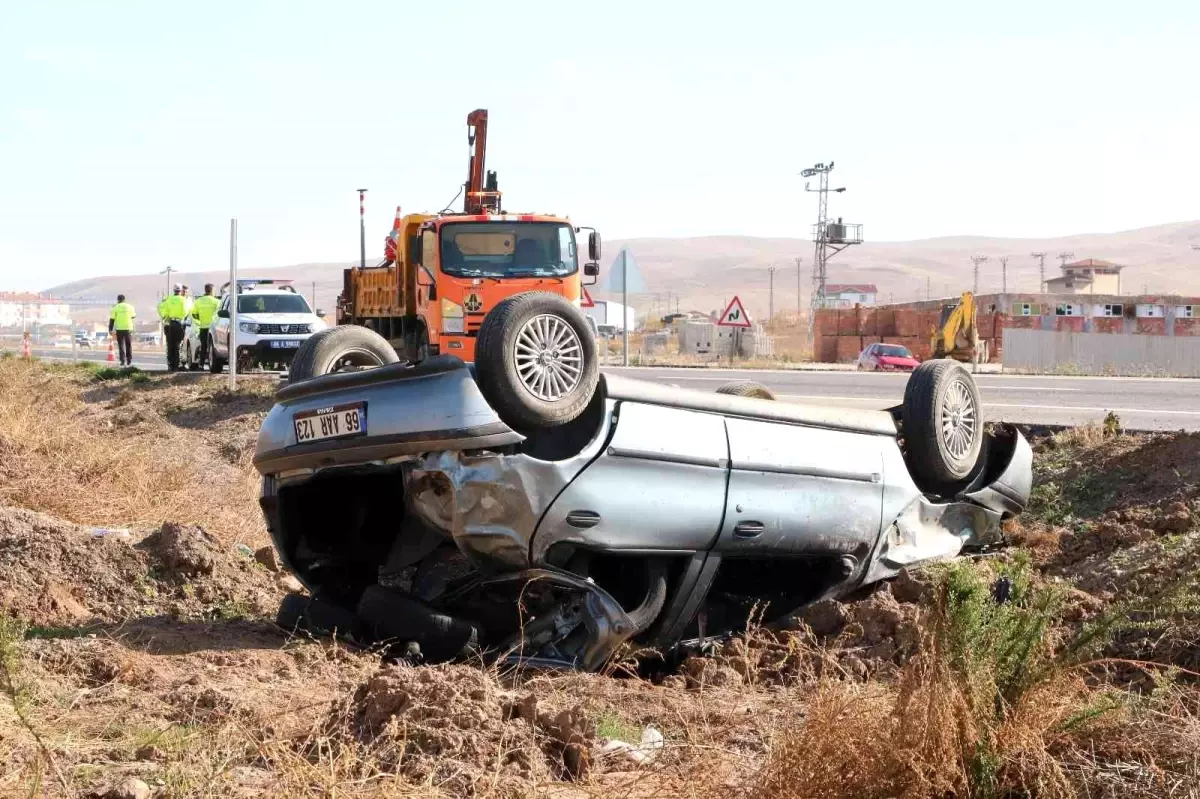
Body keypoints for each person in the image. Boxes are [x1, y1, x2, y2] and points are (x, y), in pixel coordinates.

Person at [191, 283, 220, 367]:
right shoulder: (217, 301)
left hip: (203, 327)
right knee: (213, 347)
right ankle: (213, 364)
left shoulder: (198, 301)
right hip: (213, 328)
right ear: (212, 291)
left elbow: (194, 314)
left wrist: (199, 321)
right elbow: (219, 315)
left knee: (203, 346)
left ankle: (201, 365)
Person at [160, 284, 188, 371]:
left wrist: (165, 317)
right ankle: (176, 365)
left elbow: (163, 309)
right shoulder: (183, 299)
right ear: (180, 290)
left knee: (170, 345)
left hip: (169, 323)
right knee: (177, 345)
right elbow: (185, 311)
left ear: (174, 290)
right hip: (179, 323)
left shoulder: (168, 299)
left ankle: (170, 365)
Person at [108, 294, 136, 366]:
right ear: (124, 299)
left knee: (121, 345)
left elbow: (112, 319)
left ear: (118, 300)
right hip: (128, 328)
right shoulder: (130, 306)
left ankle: (122, 361)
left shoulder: (115, 308)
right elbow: (133, 316)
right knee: (128, 344)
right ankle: (129, 360)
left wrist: (110, 329)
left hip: (119, 329)